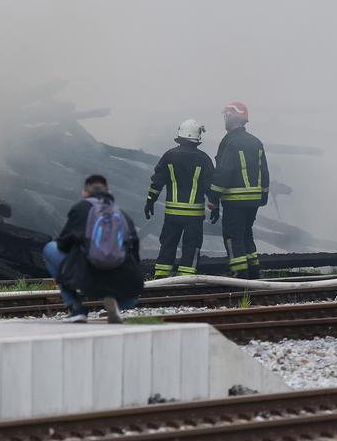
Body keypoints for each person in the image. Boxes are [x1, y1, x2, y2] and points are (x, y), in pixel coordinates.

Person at [43, 174, 143, 323]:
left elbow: (63, 244)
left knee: (50, 248)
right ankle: (115, 302)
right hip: (127, 292)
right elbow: (135, 253)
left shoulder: (81, 208)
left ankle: (77, 308)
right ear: (110, 192)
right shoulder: (122, 214)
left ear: (85, 192)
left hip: (87, 280)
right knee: (124, 276)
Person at [144, 119, 215, 278]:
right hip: (194, 216)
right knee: (191, 246)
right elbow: (210, 186)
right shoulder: (204, 159)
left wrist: (150, 201)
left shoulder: (169, 156)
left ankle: (161, 277)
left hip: (172, 214)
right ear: (197, 137)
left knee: (168, 244)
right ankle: (186, 279)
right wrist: (215, 205)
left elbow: (157, 182)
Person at [208, 101, 270, 278]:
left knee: (232, 235)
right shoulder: (256, 142)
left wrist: (213, 197)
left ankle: (240, 274)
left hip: (234, 200)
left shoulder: (229, 141)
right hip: (253, 201)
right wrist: (263, 195)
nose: (225, 119)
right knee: (246, 234)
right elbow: (264, 171)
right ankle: (253, 271)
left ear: (231, 118)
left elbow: (224, 171)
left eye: (226, 116)